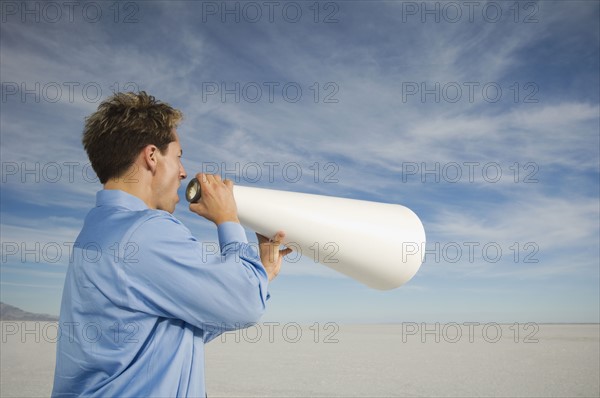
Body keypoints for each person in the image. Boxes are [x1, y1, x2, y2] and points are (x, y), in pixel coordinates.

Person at [52, 91, 291, 397]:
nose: (182, 171)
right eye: (178, 156)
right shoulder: (146, 232)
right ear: (151, 156)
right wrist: (228, 220)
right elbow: (244, 304)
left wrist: (261, 273)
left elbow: (165, 332)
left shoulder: (98, 228)